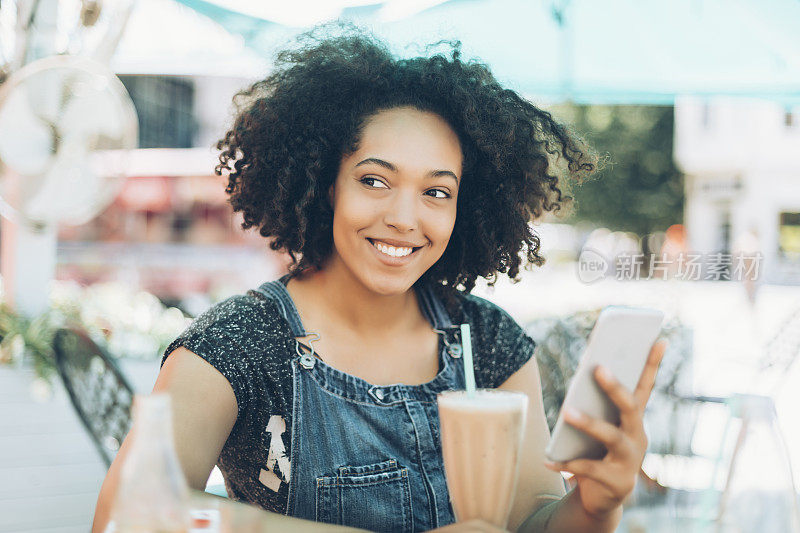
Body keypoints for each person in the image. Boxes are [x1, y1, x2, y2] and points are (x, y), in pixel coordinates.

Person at [93, 24, 667, 533]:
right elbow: (127, 515)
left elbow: (533, 526)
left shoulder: (485, 343)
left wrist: (595, 504)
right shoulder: (239, 345)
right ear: (325, 183)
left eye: (436, 192)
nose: (404, 217)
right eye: (374, 180)